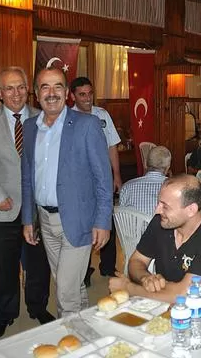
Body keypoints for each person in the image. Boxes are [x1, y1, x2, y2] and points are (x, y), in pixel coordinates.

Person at [0, 66, 53, 340]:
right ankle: (4, 314)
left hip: (36, 209)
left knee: (38, 264)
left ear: (28, 90)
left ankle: (38, 307)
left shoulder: (43, 117)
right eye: (9, 88)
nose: (15, 93)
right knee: (4, 267)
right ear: (0, 93)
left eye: (20, 87)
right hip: (1, 208)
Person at [22, 68, 113, 317]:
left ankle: (70, 338)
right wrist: (28, 218)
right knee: (71, 285)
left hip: (78, 220)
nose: (51, 93)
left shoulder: (87, 125)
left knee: (65, 292)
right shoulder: (30, 127)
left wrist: (103, 221)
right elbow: (27, 175)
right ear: (36, 93)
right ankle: (84, 331)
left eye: (58, 86)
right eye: (45, 87)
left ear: (66, 93)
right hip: (45, 220)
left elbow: (103, 177)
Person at [109, 175, 201, 315]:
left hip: (199, 316)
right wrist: (146, 278)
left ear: (191, 210)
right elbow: (137, 260)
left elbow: (184, 294)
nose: (157, 210)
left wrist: (129, 288)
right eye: (159, 203)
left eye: (165, 206)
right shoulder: (161, 222)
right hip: (158, 308)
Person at [70, 77, 121, 282]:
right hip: (80, 182)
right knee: (83, 226)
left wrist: (116, 175)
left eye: (90, 93)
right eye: (82, 94)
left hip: (102, 178)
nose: (87, 98)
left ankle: (108, 267)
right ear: (73, 96)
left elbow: (112, 146)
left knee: (106, 219)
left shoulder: (102, 115)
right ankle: (84, 271)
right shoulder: (68, 118)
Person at [119, 146, 171, 216]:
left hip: (133, 223)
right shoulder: (174, 188)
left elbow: (121, 216)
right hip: (161, 223)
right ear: (168, 167)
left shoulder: (126, 187)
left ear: (145, 164)